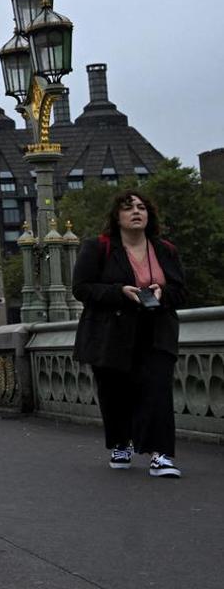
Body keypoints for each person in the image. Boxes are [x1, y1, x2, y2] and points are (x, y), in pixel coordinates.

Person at [71, 190, 188, 478]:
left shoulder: (165, 250)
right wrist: (119, 292)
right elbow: (82, 288)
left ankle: (161, 455)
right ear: (117, 217)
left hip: (156, 330)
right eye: (128, 208)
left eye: (141, 207)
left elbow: (181, 291)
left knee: (158, 391)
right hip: (111, 332)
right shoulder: (98, 247)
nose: (136, 212)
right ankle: (121, 443)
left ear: (149, 215)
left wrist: (163, 293)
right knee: (115, 392)